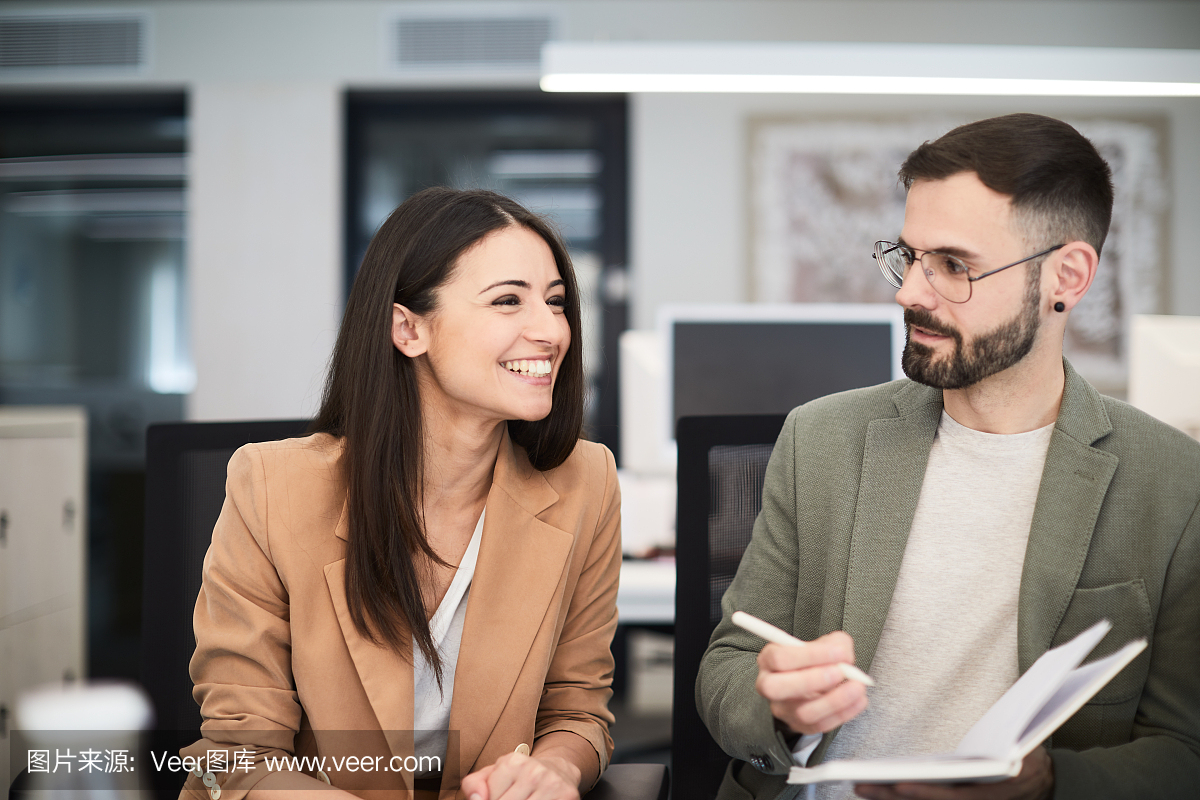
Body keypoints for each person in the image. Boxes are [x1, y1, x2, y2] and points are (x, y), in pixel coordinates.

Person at [697, 113, 1200, 800]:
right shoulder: (821, 440)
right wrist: (778, 709)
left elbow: (1185, 750)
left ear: (1067, 276)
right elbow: (728, 663)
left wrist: (1052, 782)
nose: (909, 293)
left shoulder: (1174, 484)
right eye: (909, 256)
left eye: (954, 266)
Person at [179, 188, 621, 800]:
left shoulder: (585, 482)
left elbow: (578, 709)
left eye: (555, 302)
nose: (550, 330)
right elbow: (237, 752)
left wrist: (554, 769)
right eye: (507, 301)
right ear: (408, 329)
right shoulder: (271, 487)